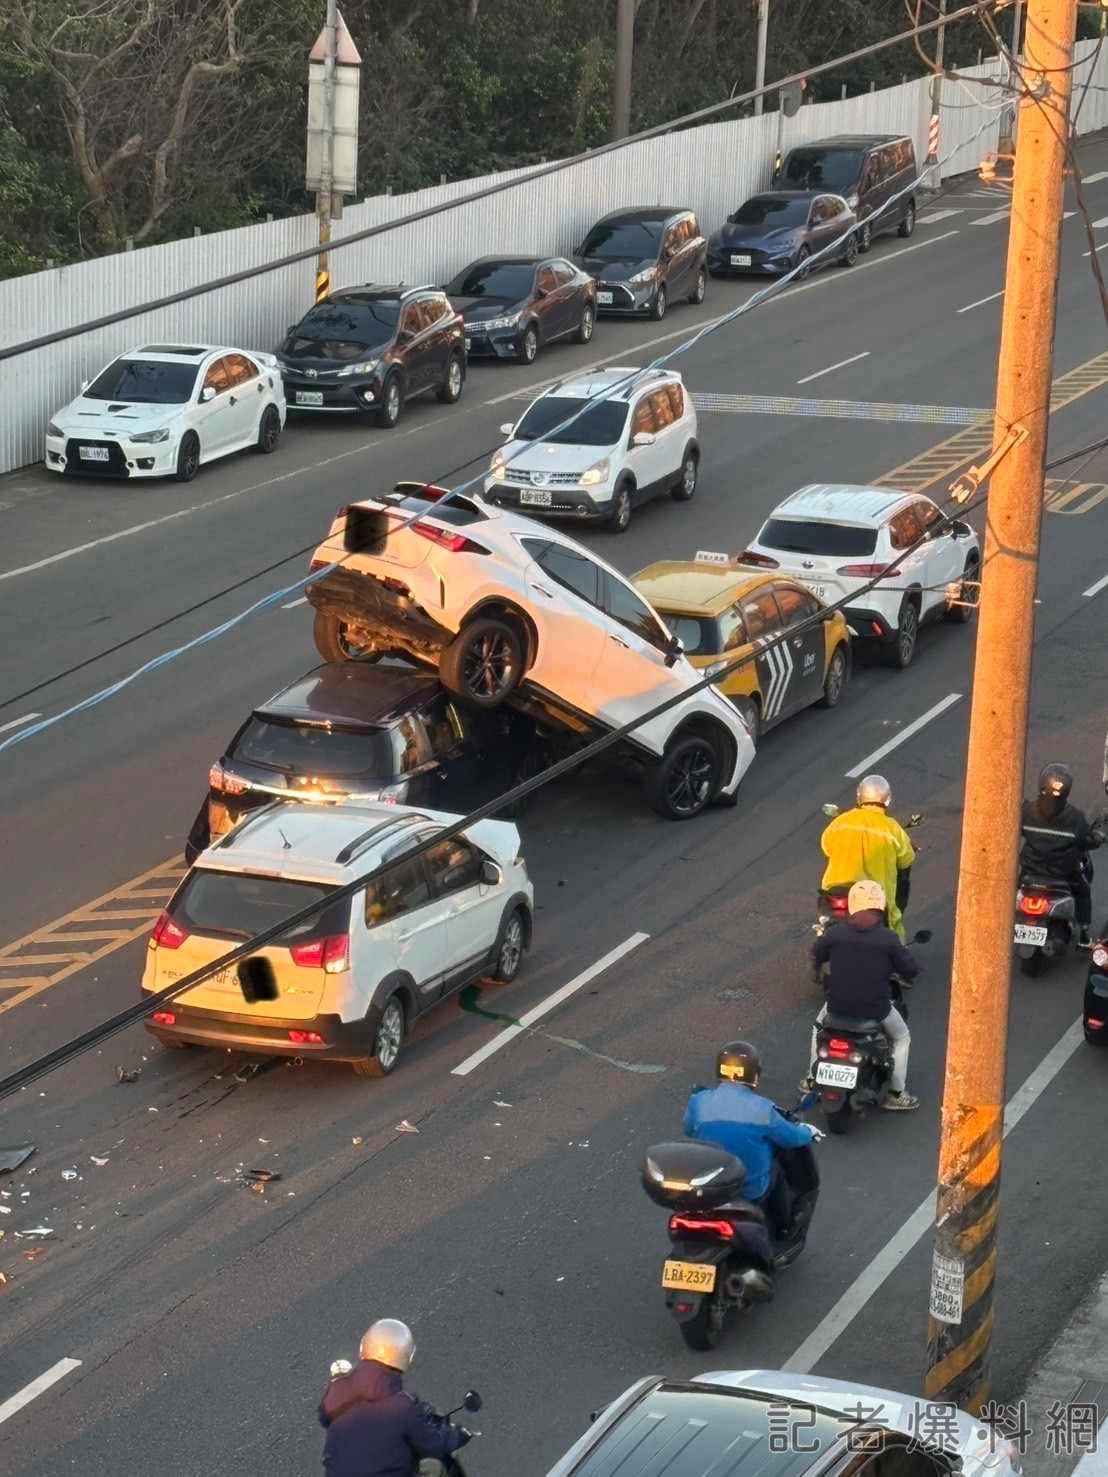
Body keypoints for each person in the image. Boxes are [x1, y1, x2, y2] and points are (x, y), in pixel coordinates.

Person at [683, 1041, 817, 1240]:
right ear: (754, 1074)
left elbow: (688, 1130)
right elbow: (792, 1138)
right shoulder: (763, 1109)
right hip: (748, 1190)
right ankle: (784, 1226)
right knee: (777, 1169)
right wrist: (808, 1131)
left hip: (708, 1186)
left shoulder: (699, 1101)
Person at [806, 879, 920, 1111]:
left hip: (836, 1006)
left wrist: (816, 972)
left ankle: (810, 1080)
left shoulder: (835, 933)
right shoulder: (888, 939)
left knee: (818, 1027)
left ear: (853, 905)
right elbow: (909, 970)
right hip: (876, 1008)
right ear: (880, 906)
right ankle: (896, 1093)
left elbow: (816, 954)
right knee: (902, 1038)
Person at [319, 1318, 472, 1477]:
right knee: (436, 1466)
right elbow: (436, 1444)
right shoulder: (402, 1408)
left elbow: (331, 1419)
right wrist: (458, 1434)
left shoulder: (336, 1401)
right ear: (405, 1357)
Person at [820, 774, 915, 942]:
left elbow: (826, 847)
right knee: (889, 933)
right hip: (872, 897)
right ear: (887, 799)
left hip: (836, 891)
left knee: (827, 926)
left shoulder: (841, 822)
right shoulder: (892, 829)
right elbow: (906, 861)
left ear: (859, 797)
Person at [1020, 763, 1104, 948]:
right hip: (1064, 874)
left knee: (1009, 885)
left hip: (1029, 871)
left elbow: (1013, 828)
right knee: (1083, 893)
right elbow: (1087, 841)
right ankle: (1084, 937)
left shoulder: (1026, 810)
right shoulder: (1075, 818)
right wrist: (1098, 837)